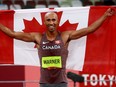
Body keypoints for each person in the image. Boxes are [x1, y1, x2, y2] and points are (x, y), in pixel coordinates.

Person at [0, 8, 115, 87]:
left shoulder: (65, 36)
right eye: (48, 20)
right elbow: (13, 34)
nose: (51, 22)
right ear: (44, 22)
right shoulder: (38, 37)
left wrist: (105, 16)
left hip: (61, 83)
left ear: (57, 21)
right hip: (44, 83)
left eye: (53, 20)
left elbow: (89, 30)